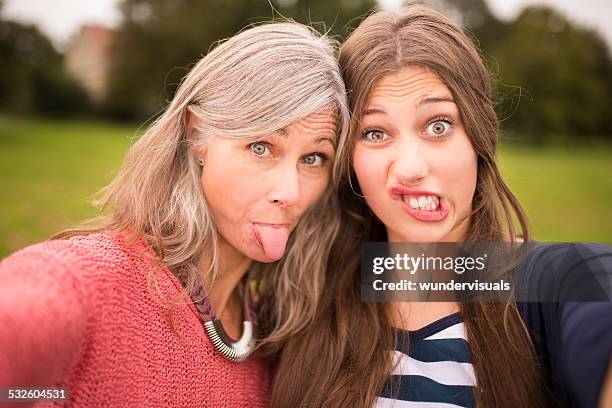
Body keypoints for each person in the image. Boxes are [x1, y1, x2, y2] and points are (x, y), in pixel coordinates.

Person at [267, 6, 612, 407]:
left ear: (478, 136)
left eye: (438, 126)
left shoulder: (551, 282)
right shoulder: (303, 295)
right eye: (376, 132)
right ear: (349, 158)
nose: (411, 168)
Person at [0, 22, 349, 407]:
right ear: (197, 136)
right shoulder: (92, 282)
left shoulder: (277, 334)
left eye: (314, 158)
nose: (290, 192)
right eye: (261, 146)